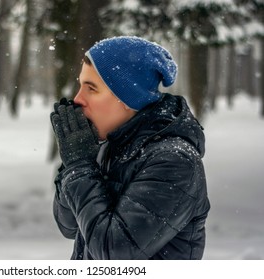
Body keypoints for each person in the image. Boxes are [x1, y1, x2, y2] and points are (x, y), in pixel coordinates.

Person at [50, 36, 210, 260]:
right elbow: (68, 226)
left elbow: (114, 252)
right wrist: (73, 162)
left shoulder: (174, 162)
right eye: (80, 85)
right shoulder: (110, 146)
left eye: (91, 88)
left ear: (128, 98)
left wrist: (80, 166)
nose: (77, 99)